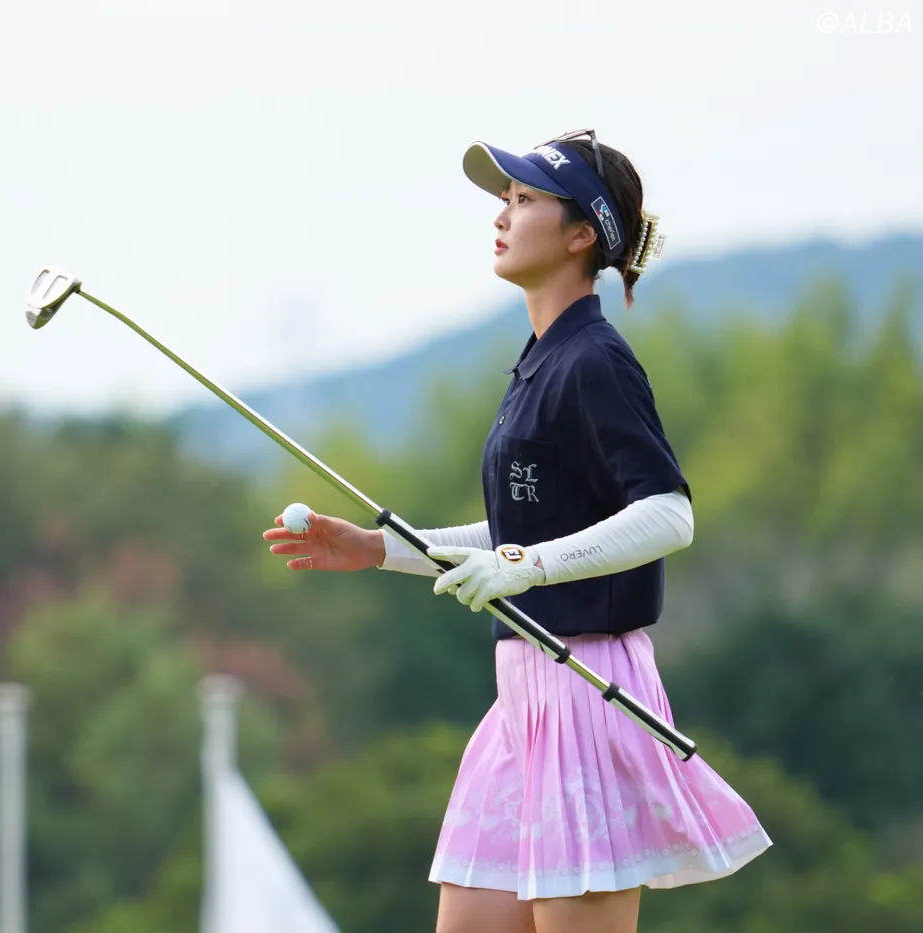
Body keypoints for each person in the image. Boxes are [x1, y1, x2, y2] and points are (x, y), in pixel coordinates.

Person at [262, 129, 771, 933]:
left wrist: (526, 566)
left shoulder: (595, 360)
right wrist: (379, 548)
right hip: (522, 702)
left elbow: (668, 513)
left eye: (525, 199)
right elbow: (516, 533)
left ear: (581, 235)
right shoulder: (539, 361)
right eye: (504, 199)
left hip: (587, 689)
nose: (502, 214)